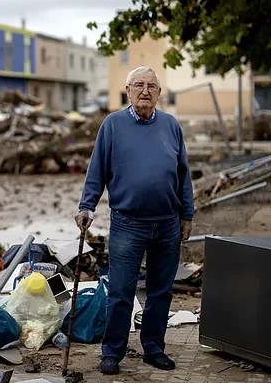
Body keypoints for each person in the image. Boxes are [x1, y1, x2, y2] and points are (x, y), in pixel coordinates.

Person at [75, 66, 194, 375]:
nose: (145, 90)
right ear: (127, 91)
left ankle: (154, 348)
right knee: (121, 291)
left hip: (167, 223)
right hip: (128, 223)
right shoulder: (112, 125)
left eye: (151, 85)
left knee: (160, 291)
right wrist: (87, 206)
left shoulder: (171, 125)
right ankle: (112, 352)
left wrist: (187, 214)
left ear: (159, 92)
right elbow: (96, 171)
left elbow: (183, 175)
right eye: (138, 85)